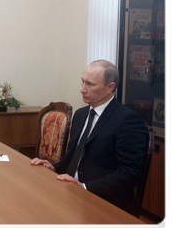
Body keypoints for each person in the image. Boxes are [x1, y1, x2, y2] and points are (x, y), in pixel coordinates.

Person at [31, 60, 148, 215]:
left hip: (104, 204)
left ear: (110, 87)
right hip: (71, 195)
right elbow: (74, 157)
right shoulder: (81, 114)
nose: (82, 89)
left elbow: (129, 174)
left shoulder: (127, 120)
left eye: (90, 84)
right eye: (82, 82)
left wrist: (85, 187)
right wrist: (55, 167)